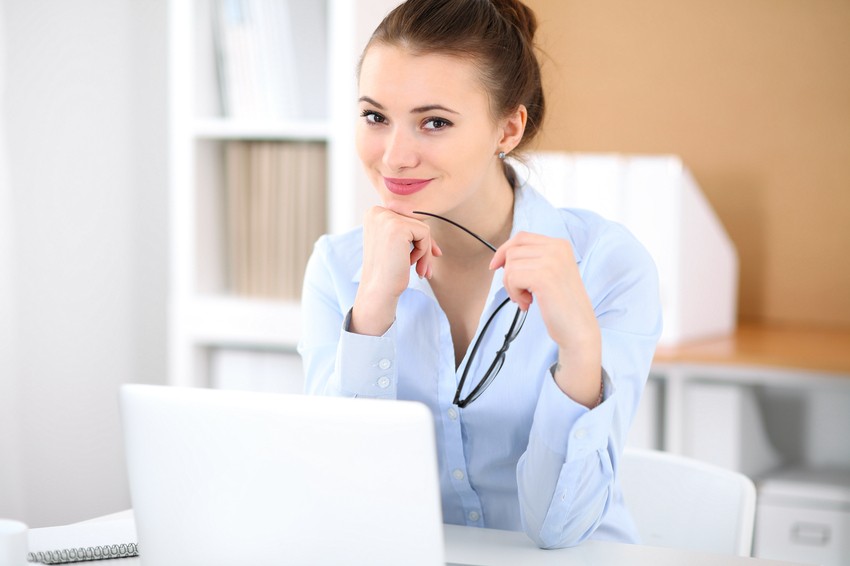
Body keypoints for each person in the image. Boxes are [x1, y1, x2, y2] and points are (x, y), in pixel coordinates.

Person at [298, 0, 662, 549]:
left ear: (509, 128)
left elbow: (558, 530)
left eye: (435, 122)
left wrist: (581, 349)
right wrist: (372, 310)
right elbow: (341, 503)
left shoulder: (608, 266)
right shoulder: (337, 269)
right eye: (375, 116)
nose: (395, 156)